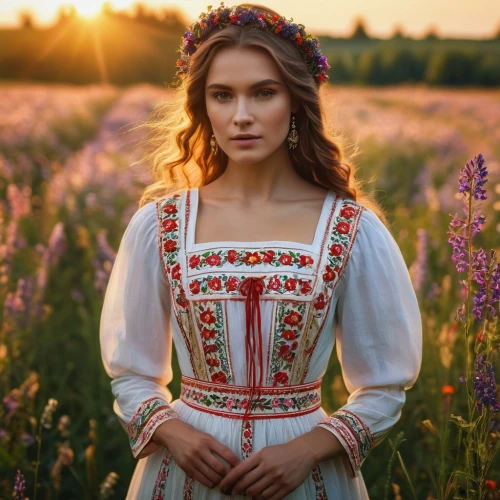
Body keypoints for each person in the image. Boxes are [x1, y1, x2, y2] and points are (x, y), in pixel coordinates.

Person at [99, 3, 422, 499]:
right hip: (185, 473)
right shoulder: (159, 226)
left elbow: (384, 385)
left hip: (305, 478)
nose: (242, 116)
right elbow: (131, 372)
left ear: (295, 101)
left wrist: (310, 448)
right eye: (222, 95)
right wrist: (175, 433)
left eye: (264, 93)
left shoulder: (352, 230)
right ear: (202, 107)